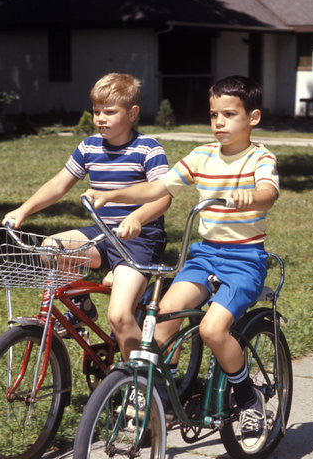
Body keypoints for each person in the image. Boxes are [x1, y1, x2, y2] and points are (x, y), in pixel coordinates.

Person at [84, 75, 279, 438]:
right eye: (213, 115)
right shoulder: (201, 155)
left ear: (252, 117)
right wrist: (112, 195)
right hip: (204, 256)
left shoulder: (259, 158)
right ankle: (162, 401)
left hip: (244, 260)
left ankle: (248, 396)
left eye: (229, 114)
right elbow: (157, 187)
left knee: (211, 329)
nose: (219, 122)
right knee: (161, 325)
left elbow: (268, 191)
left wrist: (248, 197)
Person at [2, 73, 171, 357]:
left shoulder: (148, 148)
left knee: (119, 316)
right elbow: (59, 184)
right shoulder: (89, 147)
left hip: (139, 239)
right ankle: (81, 309)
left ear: (132, 113)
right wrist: (24, 210)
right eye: (96, 111)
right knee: (51, 248)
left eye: (109, 112)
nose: (100, 118)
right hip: (103, 233)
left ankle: (141, 385)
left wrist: (137, 218)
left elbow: (163, 197)